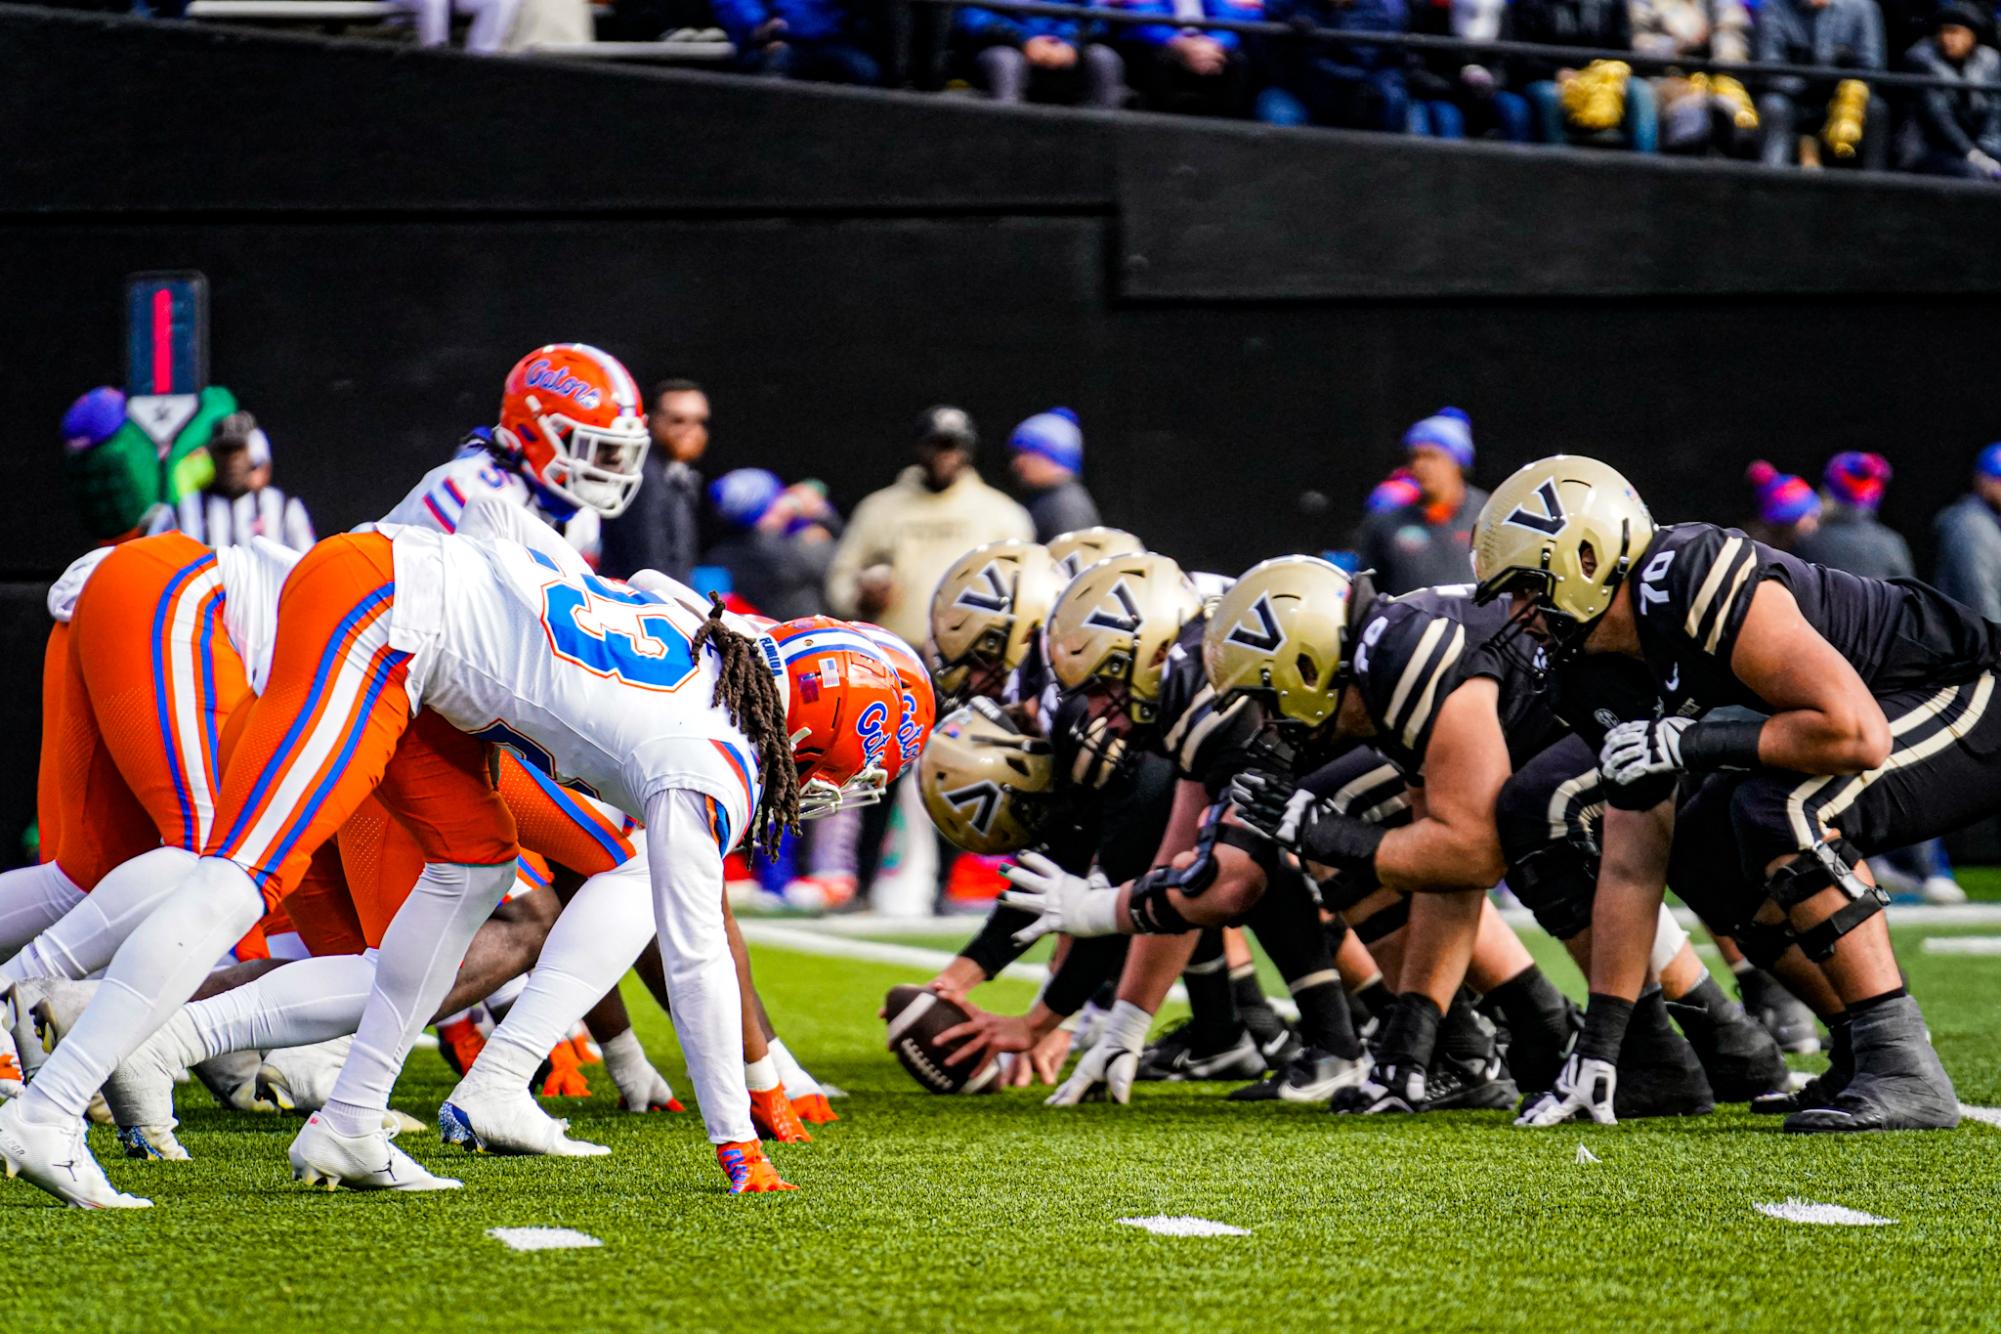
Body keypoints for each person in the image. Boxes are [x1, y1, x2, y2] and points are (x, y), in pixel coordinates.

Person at [1470, 454, 1971, 1133]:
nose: (1517, 614)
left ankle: (1901, 1065)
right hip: (1857, 719)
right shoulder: (1587, 671)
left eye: (1526, 588)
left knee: (1778, 810)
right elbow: (1629, 860)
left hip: (1954, 687)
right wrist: (1601, 1046)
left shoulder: (1688, 575)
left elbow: (1854, 732)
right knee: (1699, 847)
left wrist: (1691, 741)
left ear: (1586, 558)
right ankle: (1858, 1049)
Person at [826, 405, 1033, 652]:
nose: (945, 454)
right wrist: (860, 599)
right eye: (937, 444)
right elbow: (840, 577)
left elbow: (1028, 588)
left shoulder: (1002, 513)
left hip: (973, 656)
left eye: (954, 445)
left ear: (969, 450)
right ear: (919, 448)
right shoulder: (879, 509)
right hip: (895, 651)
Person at [1349, 406, 1489, 595]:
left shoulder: (1488, 515)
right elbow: (1366, 594)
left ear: (1458, 462)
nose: (1420, 465)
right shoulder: (1386, 521)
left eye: (1432, 456)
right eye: (1414, 457)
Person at [150, 411, 316, 553]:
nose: (232, 460)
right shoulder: (180, 512)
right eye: (225, 450)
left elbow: (308, 565)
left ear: (251, 453)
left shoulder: (283, 508)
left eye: (239, 450)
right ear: (211, 455)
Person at [599, 378, 710, 583]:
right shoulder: (641, 475)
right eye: (678, 420)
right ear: (652, 420)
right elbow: (650, 565)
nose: (691, 431)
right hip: (639, 604)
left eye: (699, 421)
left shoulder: (674, 473)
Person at [1755, 0, 1887, 170]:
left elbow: (1871, 66)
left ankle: (1873, 186)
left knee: (1875, 109)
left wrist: (1842, 90)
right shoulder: (1775, 6)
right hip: (1795, 97)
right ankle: (1770, 181)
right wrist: (1810, 83)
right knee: (1774, 106)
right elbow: (1770, 66)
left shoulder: (1863, 7)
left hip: (1843, 98)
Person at [701, 468, 842, 621]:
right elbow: (840, 558)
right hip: (799, 635)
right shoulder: (785, 552)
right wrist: (821, 513)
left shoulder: (720, 553)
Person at [1514, 0, 1658, 151]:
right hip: (1547, 78)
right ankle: (1559, 167)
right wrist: (1556, 72)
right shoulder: (1530, 4)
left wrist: (1604, 73)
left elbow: (1623, 51)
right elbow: (1521, 58)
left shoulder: (1613, 3)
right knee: (1550, 96)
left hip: (1601, 77)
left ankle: (1645, 166)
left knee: (1642, 91)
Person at [1254, 0, 1413, 131]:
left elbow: (1391, 64)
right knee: (1274, 106)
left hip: (1360, 96)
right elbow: (1268, 58)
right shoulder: (1287, 7)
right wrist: (1289, 43)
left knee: (1398, 104)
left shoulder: (1387, 10)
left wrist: (1379, 92)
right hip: (1303, 93)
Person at [1630, 0, 1758, 155]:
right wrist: (1683, 44)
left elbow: (1733, 42)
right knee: (1690, 114)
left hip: (1713, 79)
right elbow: (1639, 44)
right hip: (1662, 77)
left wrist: (1717, 45)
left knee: (1731, 111)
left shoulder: (1721, 4)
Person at [955, 0, 1127, 106]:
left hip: (1065, 49)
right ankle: (1002, 142)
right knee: (1005, 61)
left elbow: (1095, 17)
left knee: (1105, 59)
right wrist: (1023, 43)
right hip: (1008, 47)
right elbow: (973, 17)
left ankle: (1102, 149)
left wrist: (1071, 46)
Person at [1898, 5, 2001, 181]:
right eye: (1943, 32)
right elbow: (1939, 117)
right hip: (1931, 148)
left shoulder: (1989, 61)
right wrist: (1974, 155)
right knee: (1973, 175)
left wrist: (1987, 147)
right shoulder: (1922, 60)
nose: (1948, 39)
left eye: (1955, 32)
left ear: (1972, 36)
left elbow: (1995, 109)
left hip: (1977, 144)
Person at [1119, 0, 1261, 116]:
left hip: (1206, 48)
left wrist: (1214, 44)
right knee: (1155, 59)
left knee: (1237, 60)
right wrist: (1179, 44)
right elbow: (1145, 19)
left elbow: (1228, 19)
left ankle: (1228, 132)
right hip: (1160, 45)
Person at [709, 0, 881, 82]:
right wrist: (758, 24)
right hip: (775, 41)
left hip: (831, 41)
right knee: (777, 67)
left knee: (866, 72)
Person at [1930, 441, 2001, 624]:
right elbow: (1979, 598)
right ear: (1983, 480)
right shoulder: (1972, 526)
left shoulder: (1990, 523)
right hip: (1974, 645)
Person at [1008, 408, 1100, 543]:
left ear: (1054, 455)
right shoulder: (1047, 500)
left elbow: (1069, 560)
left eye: (1026, 452)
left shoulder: (1066, 507)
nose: (1017, 463)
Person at [1743, 460, 1820, 552]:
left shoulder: (1809, 546)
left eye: (1814, 516)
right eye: (1810, 517)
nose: (1815, 525)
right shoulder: (1758, 552)